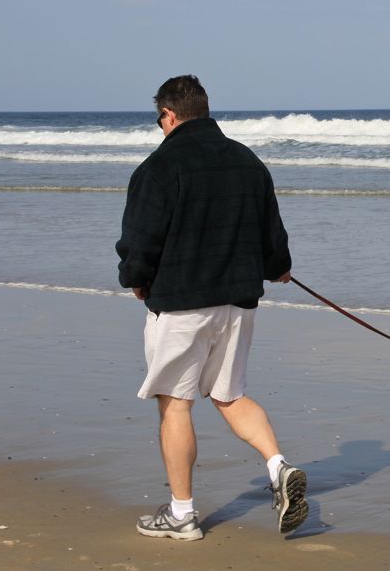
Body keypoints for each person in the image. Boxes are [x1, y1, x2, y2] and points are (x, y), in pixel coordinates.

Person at [116, 75, 307, 541]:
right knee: (229, 394)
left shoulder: (160, 167)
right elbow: (271, 234)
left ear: (170, 115)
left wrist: (136, 280)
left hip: (181, 303)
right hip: (237, 304)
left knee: (176, 404)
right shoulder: (247, 161)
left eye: (159, 119)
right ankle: (278, 466)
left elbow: (141, 239)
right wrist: (277, 266)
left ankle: (182, 515)